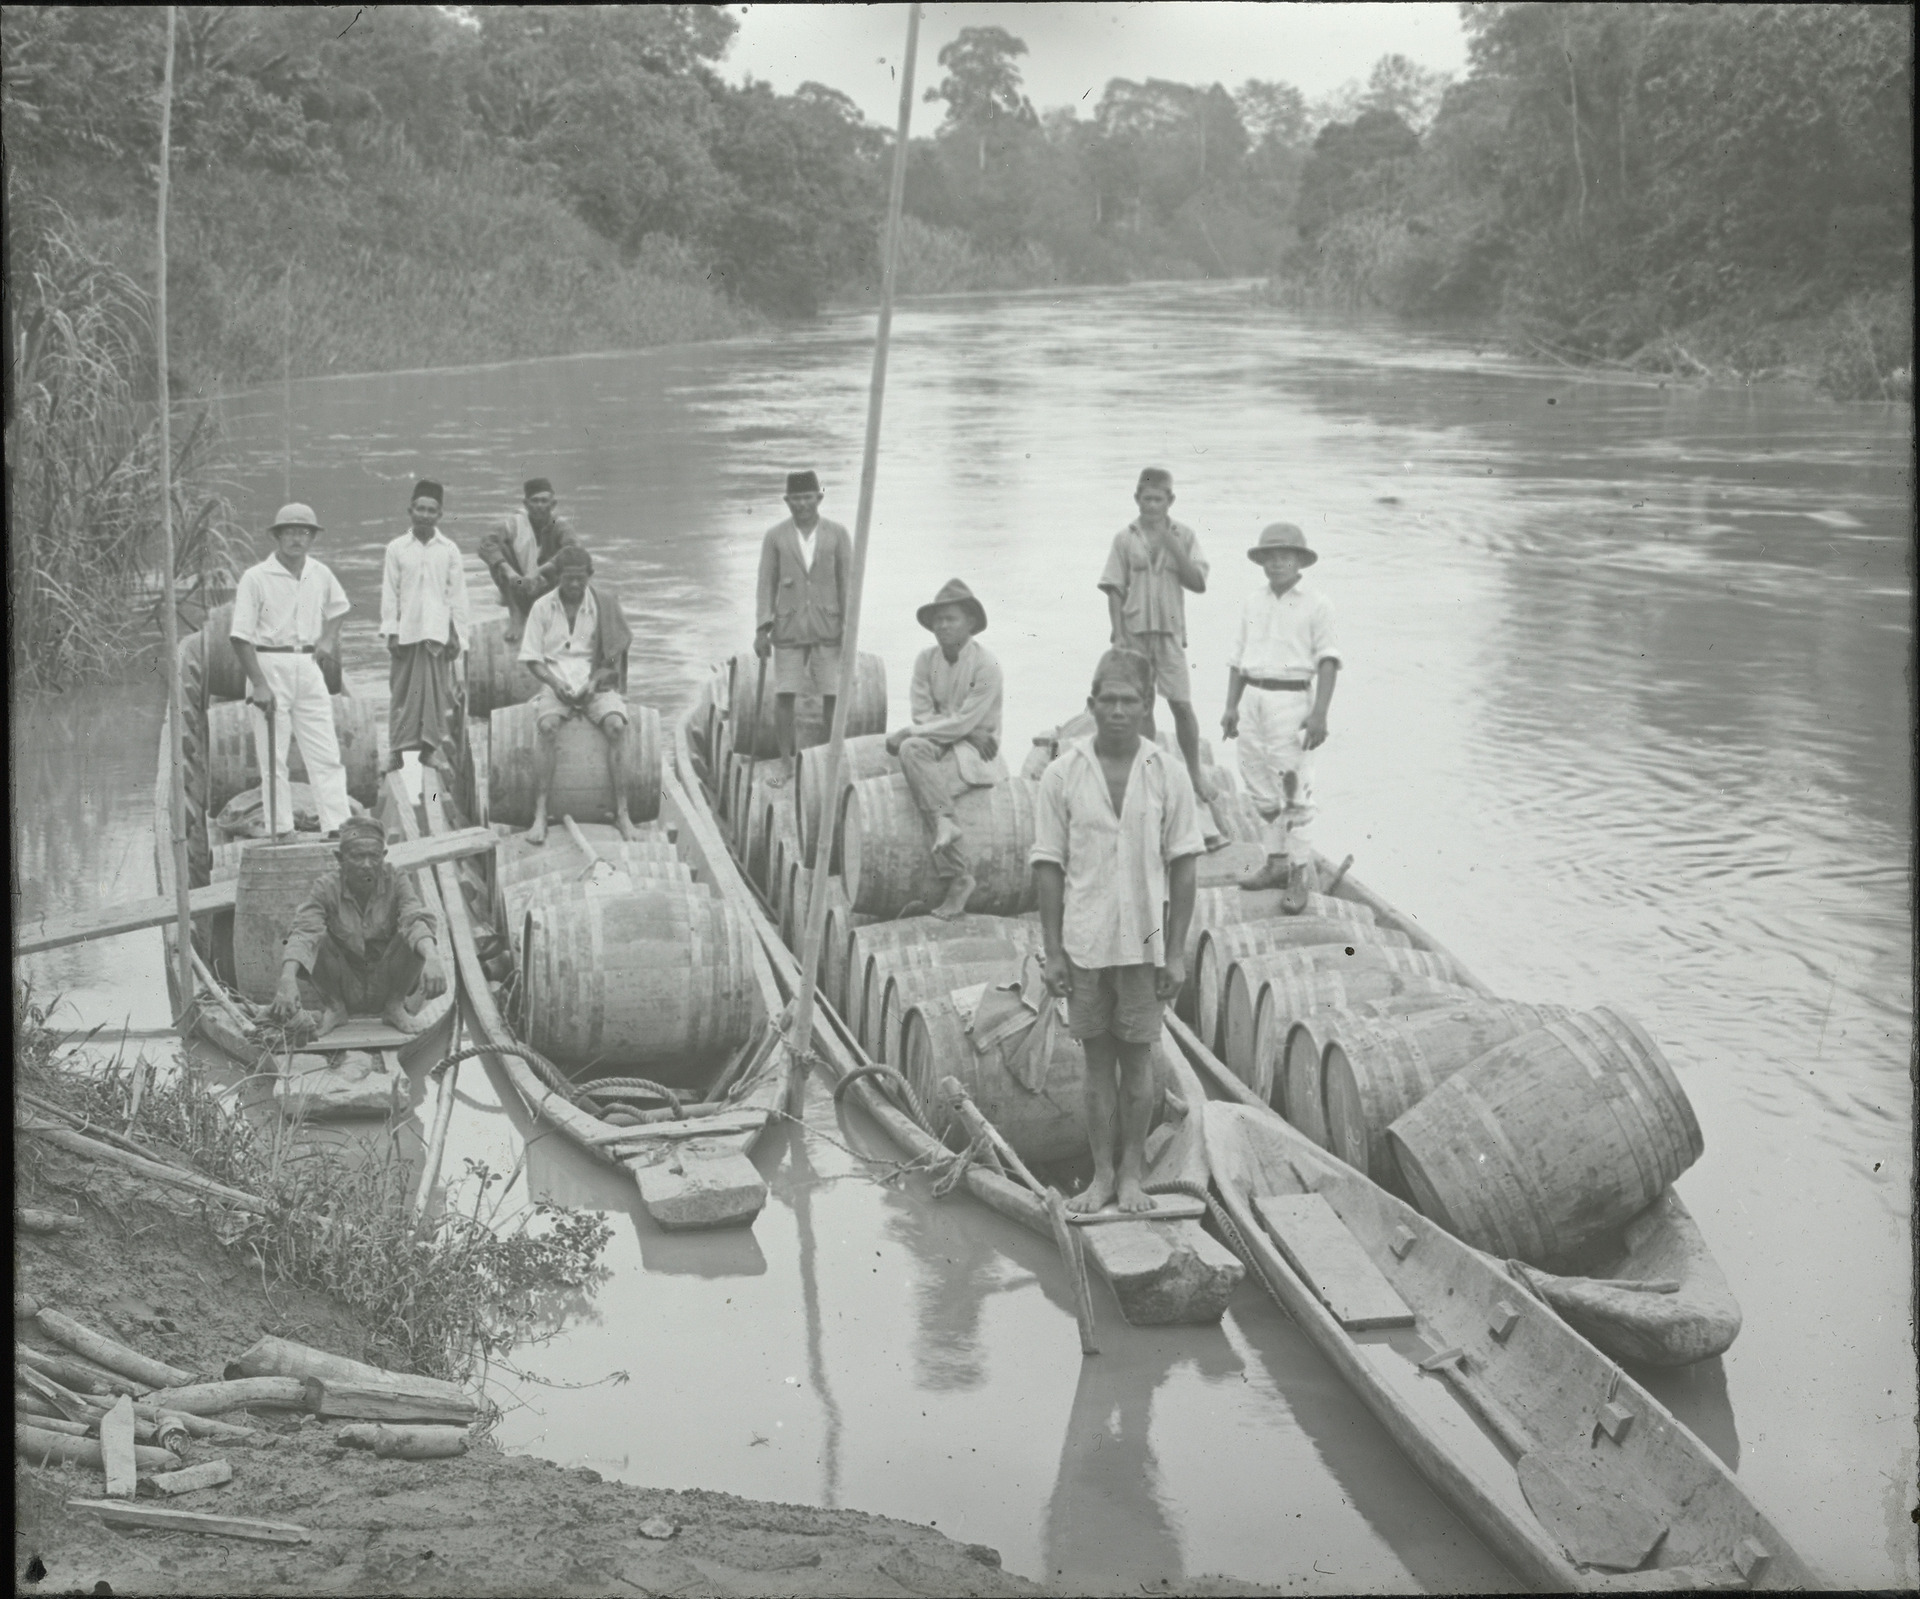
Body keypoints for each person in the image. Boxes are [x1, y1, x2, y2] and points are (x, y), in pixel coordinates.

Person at [1032, 649, 1206, 1214]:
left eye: (1129, 700)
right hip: (1084, 944)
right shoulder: (1062, 773)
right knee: (1094, 1063)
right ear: (1090, 704)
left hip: (1142, 947)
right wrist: (1054, 950)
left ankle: (1132, 1175)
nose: (1117, 710)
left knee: (1138, 1063)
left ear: (1147, 705)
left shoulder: (1167, 773)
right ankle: (1101, 1176)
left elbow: (1183, 864)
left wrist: (1174, 953)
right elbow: (1048, 866)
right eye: (1106, 699)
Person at [1097, 467, 1223, 848]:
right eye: (1147, 498)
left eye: (1160, 499)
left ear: (1170, 500)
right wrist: (1118, 633)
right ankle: (1146, 766)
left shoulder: (1185, 536)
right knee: (1142, 706)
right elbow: (1114, 589)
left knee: (1182, 704)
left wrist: (1173, 548)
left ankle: (1196, 773)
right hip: (1135, 632)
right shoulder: (1124, 538)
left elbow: (1198, 583)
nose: (1153, 505)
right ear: (1137, 499)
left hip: (1169, 632)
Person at [1220, 523, 1341, 913]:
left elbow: (1327, 660)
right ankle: (1274, 862)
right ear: (1262, 561)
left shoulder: (1317, 603)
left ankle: (1299, 874)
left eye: (1285, 555)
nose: (1277, 563)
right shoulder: (1253, 601)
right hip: (1253, 696)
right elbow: (1238, 658)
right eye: (1270, 556)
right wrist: (1231, 706)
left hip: (1292, 702)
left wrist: (1319, 712)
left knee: (1295, 793)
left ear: (1300, 560)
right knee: (1259, 785)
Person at [229, 502, 352, 840]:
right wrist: (259, 684)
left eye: (304, 532)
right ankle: (281, 828)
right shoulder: (256, 578)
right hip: (270, 664)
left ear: (312, 537)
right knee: (274, 757)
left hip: (308, 665)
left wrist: (327, 638)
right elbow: (239, 638)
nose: (298, 538)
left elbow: (340, 607)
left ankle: (337, 826)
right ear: (278, 536)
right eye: (291, 532)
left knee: (326, 751)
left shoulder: (320, 572)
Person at [886, 579, 1006, 921]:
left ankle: (958, 877)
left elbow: (964, 720)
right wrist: (957, 732)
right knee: (911, 751)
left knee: (924, 784)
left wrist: (954, 731)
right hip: (952, 742)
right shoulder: (925, 660)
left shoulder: (987, 666)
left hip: (977, 755)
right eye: (937, 620)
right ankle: (945, 822)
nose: (942, 626)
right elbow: (922, 713)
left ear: (970, 622)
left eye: (950, 618)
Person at [271, 816, 448, 1039]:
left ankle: (394, 1008)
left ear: (383, 857)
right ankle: (336, 1009)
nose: (366, 864)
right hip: (346, 986)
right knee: (316, 937)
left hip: (387, 983)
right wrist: (287, 979)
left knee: (413, 932)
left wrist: (432, 958)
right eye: (357, 856)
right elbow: (303, 932)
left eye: (373, 856)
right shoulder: (325, 887)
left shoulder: (397, 879)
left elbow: (414, 918)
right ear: (340, 858)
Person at [517, 545, 638, 845]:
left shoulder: (603, 605)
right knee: (547, 728)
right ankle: (541, 813)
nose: (573, 585)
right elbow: (533, 659)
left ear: (590, 576)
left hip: (594, 682)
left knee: (616, 726)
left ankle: (623, 813)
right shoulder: (542, 608)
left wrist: (594, 683)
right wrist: (556, 684)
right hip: (556, 680)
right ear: (557, 576)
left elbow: (612, 658)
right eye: (568, 578)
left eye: (580, 579)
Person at [754, 469, 851, 786]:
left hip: (828, 627)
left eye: (808, 497)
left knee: (832, 696)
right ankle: (787, 763)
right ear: (786, 501)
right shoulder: (775, 536)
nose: (802, 504)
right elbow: (765, 585)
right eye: (795, 499)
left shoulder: (837, 534)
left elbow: (847, 583)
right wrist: (761, 629)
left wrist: (849, 626)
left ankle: (828, 762)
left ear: (819, 497)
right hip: (789, 628)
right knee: (785, 695)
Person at [381, 479, 471, 781]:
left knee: (435, 694)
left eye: (431, 510)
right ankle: (395, 751)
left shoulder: (449, 550)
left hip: (436, 633)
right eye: (420, 508)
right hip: (405, 633)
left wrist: (459, 634)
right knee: (402, 693)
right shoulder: (396, 548)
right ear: (410, 511)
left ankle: (430, 749)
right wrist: (391, 630)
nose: (424, 515)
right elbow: (389, 593)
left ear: (440, 515)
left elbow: (456, 595)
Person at [476, 476, 582, 640]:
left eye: (544, 501)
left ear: (552, 504)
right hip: (519, 584)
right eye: (535, 501)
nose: (539, 506)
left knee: (572, 559)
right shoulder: (514, 523)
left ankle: (558, 614)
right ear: (526, 504)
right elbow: (486, 544)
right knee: (498, 548)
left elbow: (574, 550)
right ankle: (516, 615)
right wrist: (509, 571)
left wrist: (539, 571)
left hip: (548, 587)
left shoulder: (560, 526)